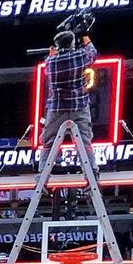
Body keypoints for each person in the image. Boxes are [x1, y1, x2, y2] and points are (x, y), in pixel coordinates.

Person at [39, 27, 98, 168]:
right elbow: (93, 54)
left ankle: (42, 175)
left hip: (57, 109)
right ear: (72, 43)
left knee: (48, 142)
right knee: (85, 144)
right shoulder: (80, 56)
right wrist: (85, 38)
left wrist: (52, 54)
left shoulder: (50, 61)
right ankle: (92, 174)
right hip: (79, 108)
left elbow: (50, 61)